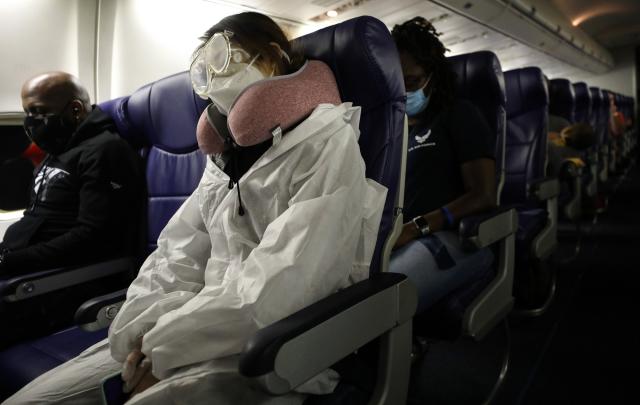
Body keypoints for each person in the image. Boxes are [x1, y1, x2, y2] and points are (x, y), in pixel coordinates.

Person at [4, 12, 386, 405]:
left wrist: (167, 348)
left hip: (271, 347)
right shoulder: (227, 155)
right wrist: (142, 332)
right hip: (196, 326)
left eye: (225, 61)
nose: (215, 81)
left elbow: (287, 282)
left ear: (272, 57)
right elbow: (177, 253)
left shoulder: (326, 143)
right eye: (205, 71)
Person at [388, 17, 496, 319]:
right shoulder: (394, 130)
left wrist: (416, 227)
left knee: (378, 303)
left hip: (460, 236)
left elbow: (484, 195)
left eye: (412, 81)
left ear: (432, 77)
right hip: (401, 237)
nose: (404, 90)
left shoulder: (460, 115)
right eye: (397, 82)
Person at [0, 72, 144, 275]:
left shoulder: (106, 150)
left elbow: (94, 237)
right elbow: (37, 218)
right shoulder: (58, 150)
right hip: (25, 261)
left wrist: (10, 262)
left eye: (38, 112)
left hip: (60, 277)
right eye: (26, 113)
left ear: (75, 110)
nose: (30, 123)